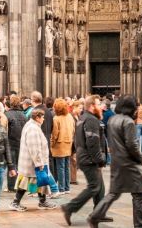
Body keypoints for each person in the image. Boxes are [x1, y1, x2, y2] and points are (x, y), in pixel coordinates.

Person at [88, 95, 142, 228]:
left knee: (113, 193)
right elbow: (132, 144)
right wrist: (140, 157)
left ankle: (94, 216)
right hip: (129, 163)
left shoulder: (112, 119)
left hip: (117, 161)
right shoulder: (128, 121)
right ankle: (140, 225)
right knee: (140, 192)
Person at [61, 95, 112, 226]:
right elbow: (92, 142)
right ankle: (69, 207)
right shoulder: (90, 120)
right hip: (89, 159)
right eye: (98, 104)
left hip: (85, 157)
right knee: (94, 187)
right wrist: (99, 160)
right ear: (91, 106)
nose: (101, 106)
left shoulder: (84, 118)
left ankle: (98, 213)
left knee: (100, 187)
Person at [8, 109, 57, 211]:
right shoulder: (33, 129)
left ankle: (42, 202)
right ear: (37, 118)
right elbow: (34, 147)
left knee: (41, 181)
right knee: (26, 182)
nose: (44, 119)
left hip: (32, 162)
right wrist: (39, 162)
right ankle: (15, 202)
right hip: (31, 163)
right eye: (42, 117)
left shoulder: (32, 126)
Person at [51, 98, 75, 195]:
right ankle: (67, 187)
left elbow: (55, 134)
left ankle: (61, 188)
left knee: (60, 167)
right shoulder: (70, 116)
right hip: (68, 143)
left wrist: (51, 144)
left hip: (59, 145)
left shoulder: (56, 119)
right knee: (66, 167)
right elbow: (73, 130)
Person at [5, 96, 27, 192]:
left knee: (11, 164)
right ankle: (19, 185)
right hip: (21, 143)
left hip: (10, 142)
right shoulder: (24, 115)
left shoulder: (7, 114)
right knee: (20, 165)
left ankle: (11, 186)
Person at [70, 100, 83, 185]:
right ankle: (72, 179)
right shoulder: (70, 116)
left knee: (75, 161)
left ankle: (73, 178)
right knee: (73, 160)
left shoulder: (79, 116)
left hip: (78, 141)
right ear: (74, 107)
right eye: (80, 108)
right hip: (72, 141)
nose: (81, 109)